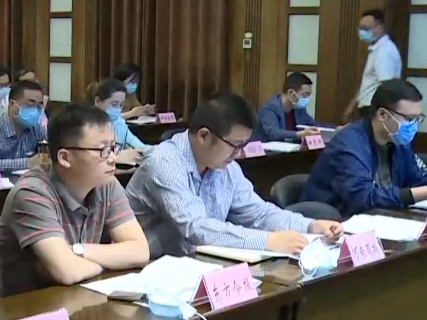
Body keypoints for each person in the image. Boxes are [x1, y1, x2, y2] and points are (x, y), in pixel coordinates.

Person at [125, 93, 343, 258]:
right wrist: (268, 241)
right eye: (235, 145)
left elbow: (258, 213)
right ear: (203, 136)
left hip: (195, 262)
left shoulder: (226, 167)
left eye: (243, 145)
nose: (238, 154)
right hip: (145, 268)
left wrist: (310, 226)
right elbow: (195, 228)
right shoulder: (165, 162)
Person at [0, 105, 150, 299]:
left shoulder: (107, 184)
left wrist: (78, 252)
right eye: (102, 150)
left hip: (72, 297)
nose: (113, 158)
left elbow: (140, 251)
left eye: (113, 147)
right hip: (15, 308)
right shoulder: (31, 192)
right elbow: (67, 271)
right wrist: (110, 261)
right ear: (65, 158)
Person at [303, 79, 427, 217]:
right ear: (382, 115)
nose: (414, 125)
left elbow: (417, 179)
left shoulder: (399, 142)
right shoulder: (348, 144)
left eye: (418, 119)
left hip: (380, 216)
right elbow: (363, 198)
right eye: (409, 119)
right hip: (335, 220)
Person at [346, 9, 402, 120]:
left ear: (380, 27)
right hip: (368, 107)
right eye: (360, 28)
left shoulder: (384, 52)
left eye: (366, 28)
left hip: (374, 109)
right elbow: (369, 82)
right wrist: (352, 104)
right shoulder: (376, 49)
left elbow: (386, 86)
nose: (362, 32)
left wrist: (378, 115)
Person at [254, 72, 328, 143]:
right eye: (305, 95)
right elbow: (274, 133)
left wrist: (332, 130)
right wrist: (300, 134)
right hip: (269, 150)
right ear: (291, 93)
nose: (307, 99)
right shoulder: (269, 107)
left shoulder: (299, 109)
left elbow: (313, 124)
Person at [92, 78, 150, 165]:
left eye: (121, 105)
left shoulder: (120, 124)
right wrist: (119, 156)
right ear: (97, 101)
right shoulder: (86, 125)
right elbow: (92, 158)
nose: (118, 109)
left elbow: (139, 146)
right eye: (114, 104)